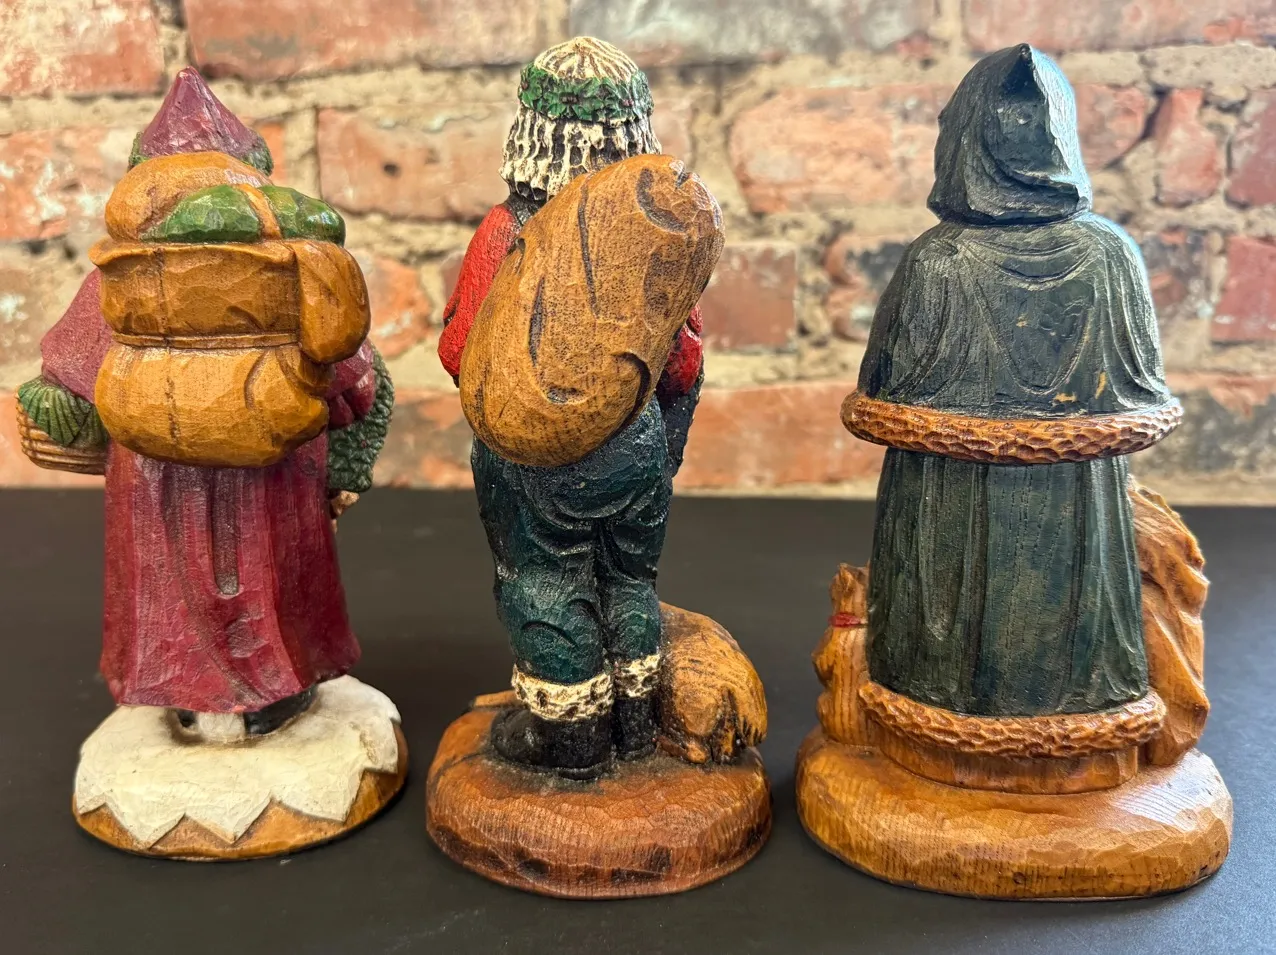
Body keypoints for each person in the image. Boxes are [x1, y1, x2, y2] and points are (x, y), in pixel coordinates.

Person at [857, 45, 1172, 718]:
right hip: (1057, 504)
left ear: (963, 135)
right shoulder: (1108, 256)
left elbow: (876, 394)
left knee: (946, 662)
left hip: (960, 500)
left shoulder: (941, 261)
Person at [439, 37, 704, 777]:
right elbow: (684, 360)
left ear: (531, 131)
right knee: (629, 577)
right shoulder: (654, 239)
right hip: (636, 443)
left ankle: (575, 741)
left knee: (544, 579)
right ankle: (636, 728)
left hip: (533, 459)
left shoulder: (506, 232)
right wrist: (662, 443)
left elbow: (460, 351)